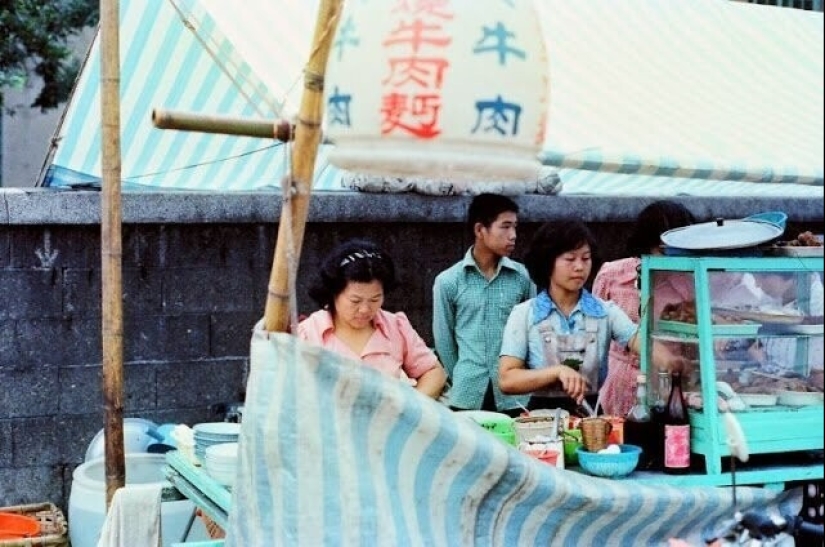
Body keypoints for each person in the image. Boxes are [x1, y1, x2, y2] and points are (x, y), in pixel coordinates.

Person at [498, 220, 683, 412]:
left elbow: (642, 343)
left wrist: (672, 360)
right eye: (570, 259)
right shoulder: (525, 314)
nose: (579, 267)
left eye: (585, 259)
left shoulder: (606, 312)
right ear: (547, 263)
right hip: (540, 421)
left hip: (591, 419)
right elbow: (507, 379)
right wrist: (557, 372)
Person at [297, 238, 447, 399]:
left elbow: (433, 371)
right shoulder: (308, 333)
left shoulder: (395, 326)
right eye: (355, 301)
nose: (365, 310)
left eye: (375, 299)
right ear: (334, 294)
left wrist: (412, 408)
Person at [432, 193, 536, 416]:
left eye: (515, 227)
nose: (513, 236)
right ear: (480, 230)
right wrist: (463, 374)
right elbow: (444, 342)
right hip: (467, 394)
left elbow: (532, 331)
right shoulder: (448, 281)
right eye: (505, 227)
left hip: (514, 397)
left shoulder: (522, 277)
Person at [592, 200, 696, 416]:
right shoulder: (612, 274)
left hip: (666, 386)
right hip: (617, 385)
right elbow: (595, 330)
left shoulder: (687, 284)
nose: (669, 258)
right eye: (663, 249)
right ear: (647, 243)